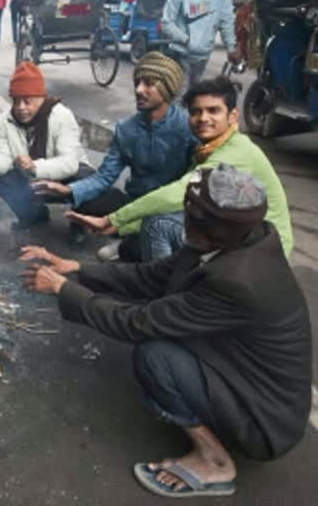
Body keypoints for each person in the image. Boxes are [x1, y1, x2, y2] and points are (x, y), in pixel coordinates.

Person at [21, 164, 312, 499]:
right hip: (248, 377)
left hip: (266, 419)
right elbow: (151, 277)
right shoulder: (231, 241)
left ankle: (215, 463)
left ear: (215, 225)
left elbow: (137, 322)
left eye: (192, 212)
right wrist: (75, 268)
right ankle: (209, 416)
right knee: (166, 339)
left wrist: (62, 289)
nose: (183, 215)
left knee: (156, 356)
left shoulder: (237, 278)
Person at [68, 76, 293, 261]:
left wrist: (113, 220)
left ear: (233, 116)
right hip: (237, 234)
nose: (203, 118)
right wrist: (122, 227)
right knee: (152, 228)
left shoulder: (236, 151)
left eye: (213, 111)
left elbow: (179, 193)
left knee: (157, 226)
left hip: (264, 250)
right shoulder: (207, 149)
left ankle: (166, 294)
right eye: (196, 112)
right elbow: (185, 205)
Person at [34, 52, 196, 260]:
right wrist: (67, 190)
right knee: (85, 189)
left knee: (159, 263)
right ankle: (129, 240)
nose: (138, 90)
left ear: (168, 88)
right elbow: (104, 177)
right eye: (137, 82)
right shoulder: (126, 129)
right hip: (133, 205)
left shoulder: (188, 127)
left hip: (173, 208)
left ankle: (137, 245)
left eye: (148, 84)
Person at [0, 62, 91, 241]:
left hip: (64, 176)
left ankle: (79, 222)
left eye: (27, 100)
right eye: (16, 100)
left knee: (85, 177)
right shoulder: (4, 120)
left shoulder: (62, 116)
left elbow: (70, 163)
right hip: (32, 178)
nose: (21, 107)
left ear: (41, 97)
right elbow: (5, 157)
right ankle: (33, 215)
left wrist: (35, 167)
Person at [161, 0, 240, 88]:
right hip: (180, 55)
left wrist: (231, 48)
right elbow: (166, 23)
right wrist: (187, 40)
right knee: (180, 97)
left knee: (194, 97)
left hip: (202, 58)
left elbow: (226, 20)